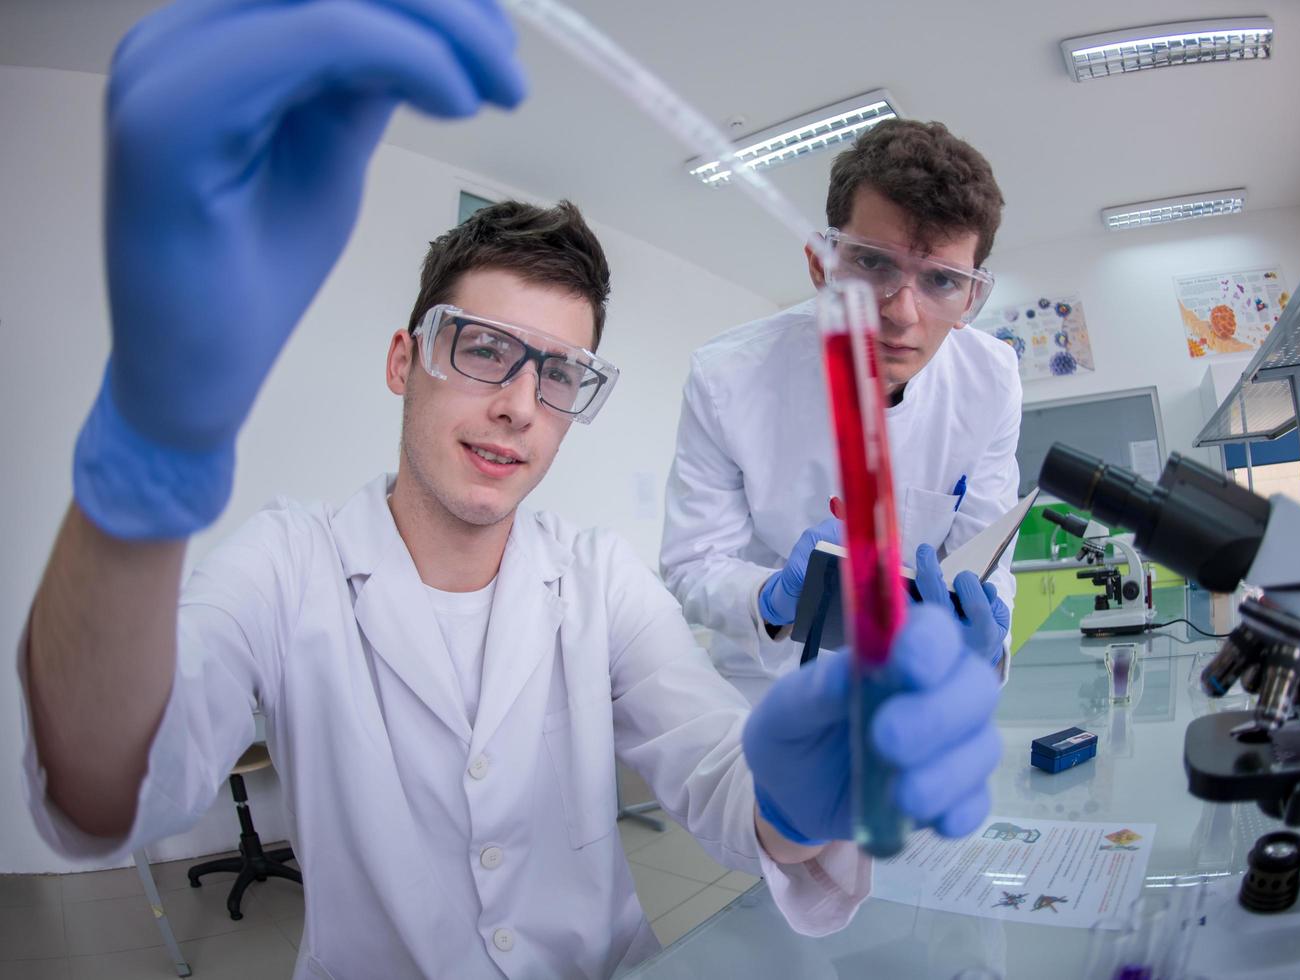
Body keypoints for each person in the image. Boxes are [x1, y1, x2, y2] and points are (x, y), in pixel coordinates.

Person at [18, 3, 1004, 978]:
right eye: (483, 348)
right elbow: (107, 791)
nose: (520, 405)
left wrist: (795, 799)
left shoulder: (597, 580)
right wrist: (147, 447)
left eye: (561, 372)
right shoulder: (288, 564)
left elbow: (717, 770)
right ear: (405, 358)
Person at [661, 119, 1023, 703]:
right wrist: (772, 596)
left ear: (971, 296)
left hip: (918, 689)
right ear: (820, 263)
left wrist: (986, 643)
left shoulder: (990, 380)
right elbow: (693, 562)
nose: (903, 313)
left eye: (941, 280)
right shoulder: (728, 377)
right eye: (874, 265)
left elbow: (984, 551)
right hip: (769, 691)